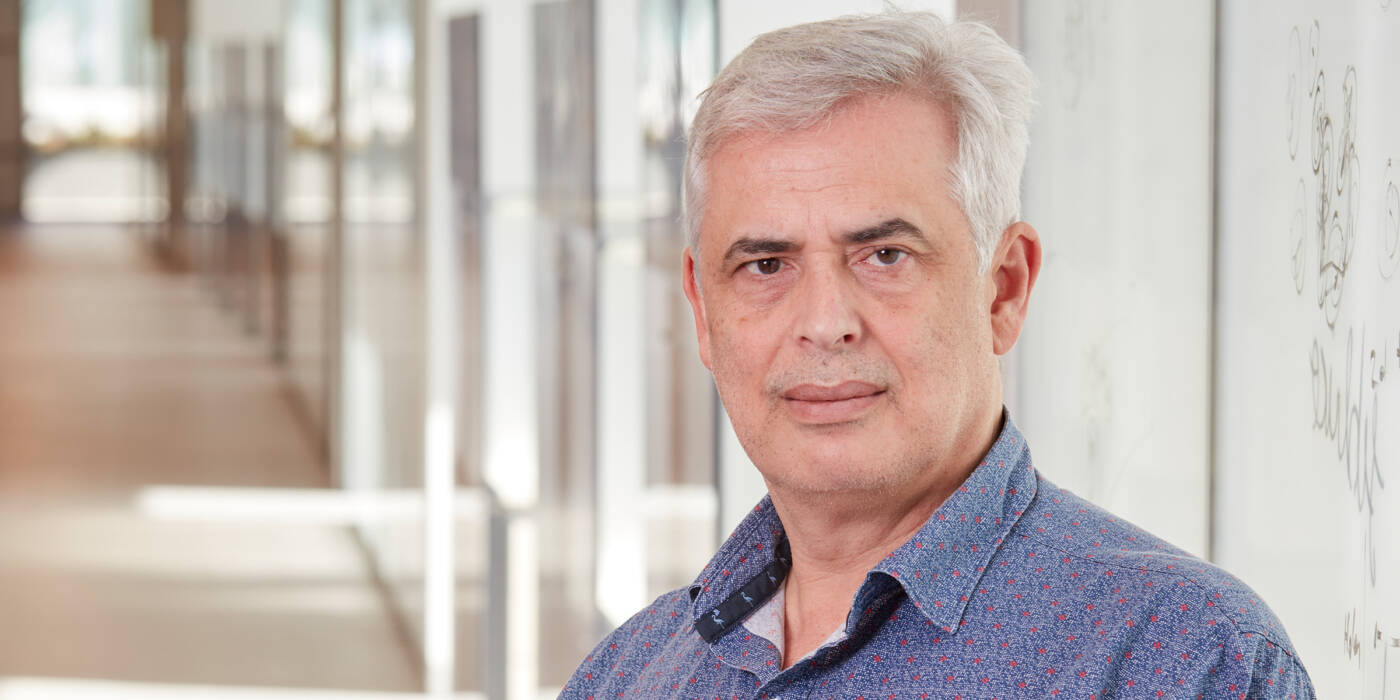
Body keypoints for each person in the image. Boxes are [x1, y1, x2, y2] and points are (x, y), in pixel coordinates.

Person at [561, 10, 1315, 699]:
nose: (824, 324)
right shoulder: (623, 676)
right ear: (702, 310)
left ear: (1003, 288)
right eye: (765, 265)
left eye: (884, 255)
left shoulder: (1184, 661)